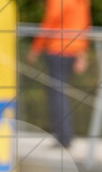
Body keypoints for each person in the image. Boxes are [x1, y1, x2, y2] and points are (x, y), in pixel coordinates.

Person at [26, 0, 91, 149]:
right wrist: (83, 53)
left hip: (58, 48)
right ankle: (65, 136)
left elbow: (49, 21)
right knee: (62, 93)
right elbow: (85, 25)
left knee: (57, 95)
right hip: (74, 50)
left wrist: (36, 48)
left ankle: (63, 138)